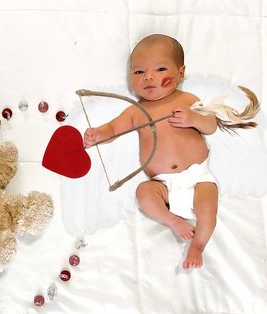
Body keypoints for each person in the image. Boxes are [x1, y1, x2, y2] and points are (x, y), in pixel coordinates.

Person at [83, 34, 219, 270]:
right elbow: (115, 128)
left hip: (199, 177)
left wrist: (194, 118)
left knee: (208, 205)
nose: (149, 77)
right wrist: (99, 135)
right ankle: (172, 220)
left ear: (180, 73)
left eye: (160, 69)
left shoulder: (187, 99)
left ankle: (198, 244)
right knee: (144, 193)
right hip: (162, 185)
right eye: (139, 72)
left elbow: (211, 125)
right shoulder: (137, 111)